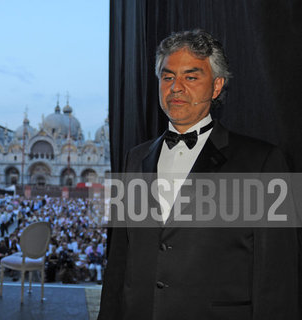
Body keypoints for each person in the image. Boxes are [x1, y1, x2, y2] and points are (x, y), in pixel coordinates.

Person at [98, 30, 299, 319]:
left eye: (191, 77)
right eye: (167, 77)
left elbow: (278, 278)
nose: (176, 88)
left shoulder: (263, 162)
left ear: (216, 87)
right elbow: (118, 262)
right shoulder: (134, 158)